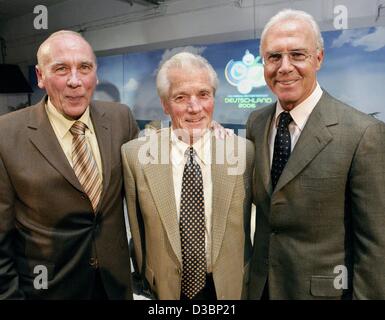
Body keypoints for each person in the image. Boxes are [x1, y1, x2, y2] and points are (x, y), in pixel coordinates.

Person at [246, 9, 385, 299]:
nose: (284, 67)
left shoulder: (363, 133)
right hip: (260, 288)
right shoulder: (256, 123)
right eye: (274, 57)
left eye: (297, 55)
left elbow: (376, 245)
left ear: (318, 59)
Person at [0, 30, 139, 299]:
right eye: (61, 69)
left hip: (115, 287)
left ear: (96, 74)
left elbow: (150, 171)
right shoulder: (6, 134)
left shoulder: (121, 118)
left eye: (84, 67)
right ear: (41, 76)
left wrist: (204, 132)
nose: (75, 81)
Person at [121, 52, 254, 300]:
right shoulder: (135, 156)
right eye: (180, 97)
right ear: (165, 104)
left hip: (228, 288)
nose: (195, 108)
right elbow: (137, 232)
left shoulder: (243, 152)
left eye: (204, 94)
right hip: (164, 290)